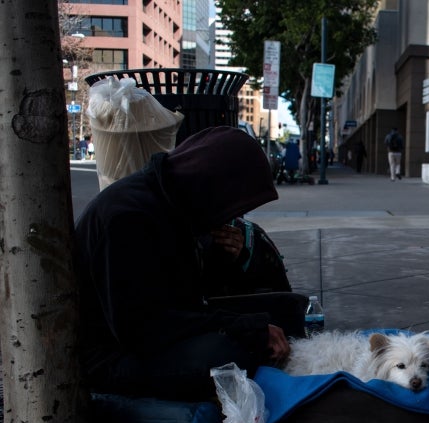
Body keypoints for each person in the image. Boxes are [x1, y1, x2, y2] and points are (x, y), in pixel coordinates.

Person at [74, 126, 306, 402]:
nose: (236, 215)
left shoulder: (175, 206)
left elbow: (194, 297)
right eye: (233, 205)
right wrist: (247, 328)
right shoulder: (127, 217)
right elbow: (143, 326)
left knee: (286, 310)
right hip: (118, 355)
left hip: (158, 332)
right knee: (227, 356)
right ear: (214, 187)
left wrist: (229, 259)